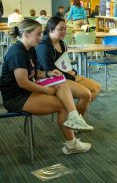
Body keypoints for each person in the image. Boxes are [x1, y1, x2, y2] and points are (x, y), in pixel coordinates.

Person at [0, 19, 93, 154]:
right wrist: (46, 89)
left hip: (28, 89)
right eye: (37, 34)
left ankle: (74, 117)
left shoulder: (30, 49)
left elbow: (33, 72)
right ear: (26, 34)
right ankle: (71, 144)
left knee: (61, 82)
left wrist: (48, 73)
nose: (40, 37)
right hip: (17, 97)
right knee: (62, 105)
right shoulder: (17, 53)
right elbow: (23, 82)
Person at [36, 16, 101, 116]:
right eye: (61, 29)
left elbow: (65, 64)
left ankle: (74, 115)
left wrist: (74, 72)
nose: (64, 31)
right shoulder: (44, 46)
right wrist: (72, 77)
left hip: (64, 76)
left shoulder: (61, 43)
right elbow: (49, 70)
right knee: (86, 94)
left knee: (96, 88)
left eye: (65, 29)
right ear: (50, 30)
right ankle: (75, 117)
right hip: (49, 79)